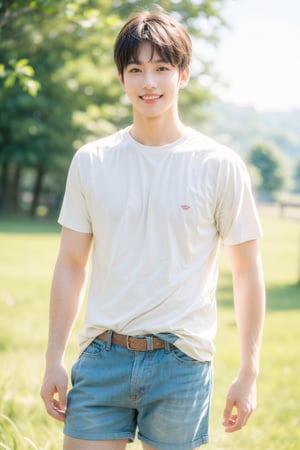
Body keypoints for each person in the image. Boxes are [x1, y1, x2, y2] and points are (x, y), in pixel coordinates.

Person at [40, 10, 265, 450]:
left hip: (181, 363)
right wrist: (53, 359)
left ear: (182, 74)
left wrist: (248, 372)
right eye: (136, 69)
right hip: (102, 357)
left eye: (162, 68)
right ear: (121, 78)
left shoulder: (219, 165)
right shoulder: (92, 161)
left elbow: (246, 271)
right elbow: (70, 264)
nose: (149, 83)